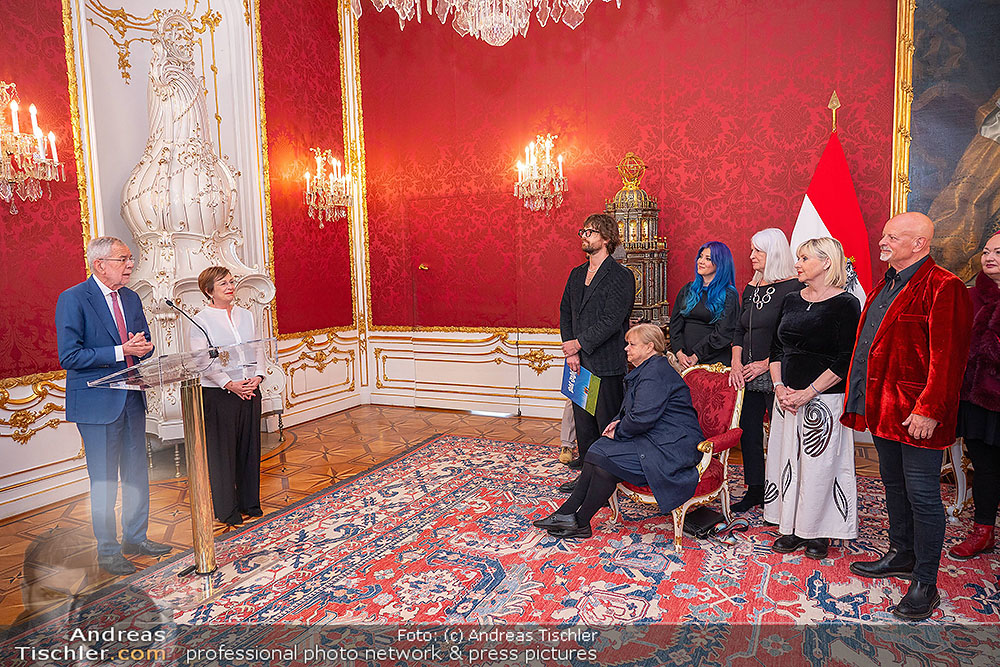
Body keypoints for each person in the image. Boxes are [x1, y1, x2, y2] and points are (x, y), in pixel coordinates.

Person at [843, 212, 973, 621]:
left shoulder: (944, 286)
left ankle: (925, 583)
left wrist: (930, 410)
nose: (882, 242)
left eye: (892, 237)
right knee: (894, 486)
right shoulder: (885, 284)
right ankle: (901, 553)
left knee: (923, 496)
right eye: (884, 235)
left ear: (919, 243)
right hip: (883, 410)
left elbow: (949, 359)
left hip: (918, 415)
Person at [55, 237, 172, 576]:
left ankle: (136, 538)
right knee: (104, 480)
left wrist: (144, 348)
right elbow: (69, 356)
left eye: (130, 258)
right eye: (123, 259)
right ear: (100, 264)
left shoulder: (131, 297)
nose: (130, 264)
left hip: (132, 398)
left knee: (137, 473)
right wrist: (123, 350)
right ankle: (107, 550)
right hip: (97, 405)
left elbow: (142, 344)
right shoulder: (74, 298)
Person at [533, 324, 702, 539]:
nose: (626, 348)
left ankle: (576, 518)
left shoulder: (655, 373)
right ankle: (571, 515)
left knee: (601, 455)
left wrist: (619, 430)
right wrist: (617, 422)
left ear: (649, 347)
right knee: (599, 451)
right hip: (655, 437)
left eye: (632, 344)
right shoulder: (650, 368)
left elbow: (642, 417)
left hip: (671, 447)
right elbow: (633, 409)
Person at [763, 237, 861, 560]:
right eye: (798, 258)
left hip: (823, 401)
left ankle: (818, 531)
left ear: (827, 262)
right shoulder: (791, 299)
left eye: (805, 258)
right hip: (786, 399)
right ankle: (791, 526)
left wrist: (808, 393)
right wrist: (779, 387)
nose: (798, 264)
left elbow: (845, 359)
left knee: (820, 468)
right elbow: (776, 349)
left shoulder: (846, 304)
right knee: (788, 462)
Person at [558, 213, 636, 492]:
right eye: (582, 231)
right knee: (584, 425)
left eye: (590, 232)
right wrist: (571, 351)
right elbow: (566, 312)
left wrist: (578, 344)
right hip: (578, 363)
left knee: (606, 424)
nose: (584, 236)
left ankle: (608, 480)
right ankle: (587, 478)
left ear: (606, 238)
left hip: (607, 363)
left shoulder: (621, 276)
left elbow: (612, 320)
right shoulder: (576, 274)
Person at [729, 228, 800, 513]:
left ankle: (782, 488)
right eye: (752, 249)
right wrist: (736, 363)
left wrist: (765, 363)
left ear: (775, 253)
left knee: (782, 434)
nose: (751, 256)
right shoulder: (751, 287)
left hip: (777, 374)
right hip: (746, 374)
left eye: (758, 251)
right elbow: (739, 330)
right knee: (749, 433)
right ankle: (756, 489)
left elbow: (791, 337)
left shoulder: (794, 287)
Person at [189, 267, 266, 527]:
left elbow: (258, 347)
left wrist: (258, 377)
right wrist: (229, 384)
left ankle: (249, 502)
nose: (230, 286)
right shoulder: (200, 320)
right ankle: (227, 510)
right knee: (222, 453)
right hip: (220, 394)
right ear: (208, 290)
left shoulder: (247, 315)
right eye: (223, 283)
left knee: (249, 448)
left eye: (232, 282)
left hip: (250, 388)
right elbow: (202, 359)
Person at [949, 232, 1000, 559]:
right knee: (984, 464)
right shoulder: (969, 297)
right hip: (977, 397)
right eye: (986, 251)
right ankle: (983, 531)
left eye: (998, 252)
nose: (989, 257)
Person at [670, 241, 740, 369]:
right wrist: (679, 353)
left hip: (714, 362)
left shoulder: (729, 294)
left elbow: (724, 333)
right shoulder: (688, 289)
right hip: (684, 360)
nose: (700, 261)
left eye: (708, 259)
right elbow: (675, 324)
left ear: (720, 264)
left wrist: (696, 355)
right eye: (700, 256)